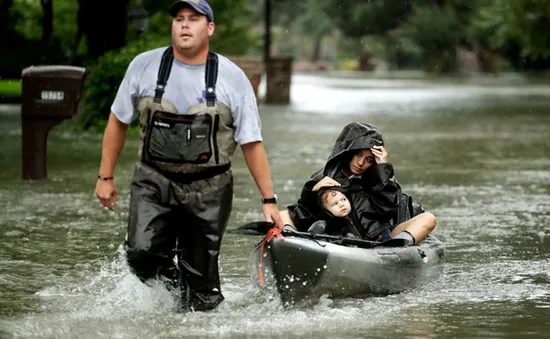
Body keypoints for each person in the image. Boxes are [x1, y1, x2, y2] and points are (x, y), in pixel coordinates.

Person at [95, 0, 283, 312]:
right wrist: (105, 176)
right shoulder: (143, 66)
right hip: (153, 179)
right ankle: (176, 294)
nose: (184, 24)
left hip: (210, 188)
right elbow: (117, 121)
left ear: (209, 28)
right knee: (140, 255)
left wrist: (269, 200)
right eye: (179, 18)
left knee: (203, 290)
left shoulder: (232, 77)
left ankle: (196, 307)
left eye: (193, 19)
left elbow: (251, 141)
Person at [283, 122, 436, 245]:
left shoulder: (380, 177)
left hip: (380, 240)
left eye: (369, 159)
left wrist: (383, 168)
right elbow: (304, 216)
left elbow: (389, 209)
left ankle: (397, 248)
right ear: (348, 152)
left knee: (428, 218)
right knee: (281, 214)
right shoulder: (323, 177)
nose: (361, 163)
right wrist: (313, 192)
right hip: (339, 240)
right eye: (358, 154)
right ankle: (288, 240)